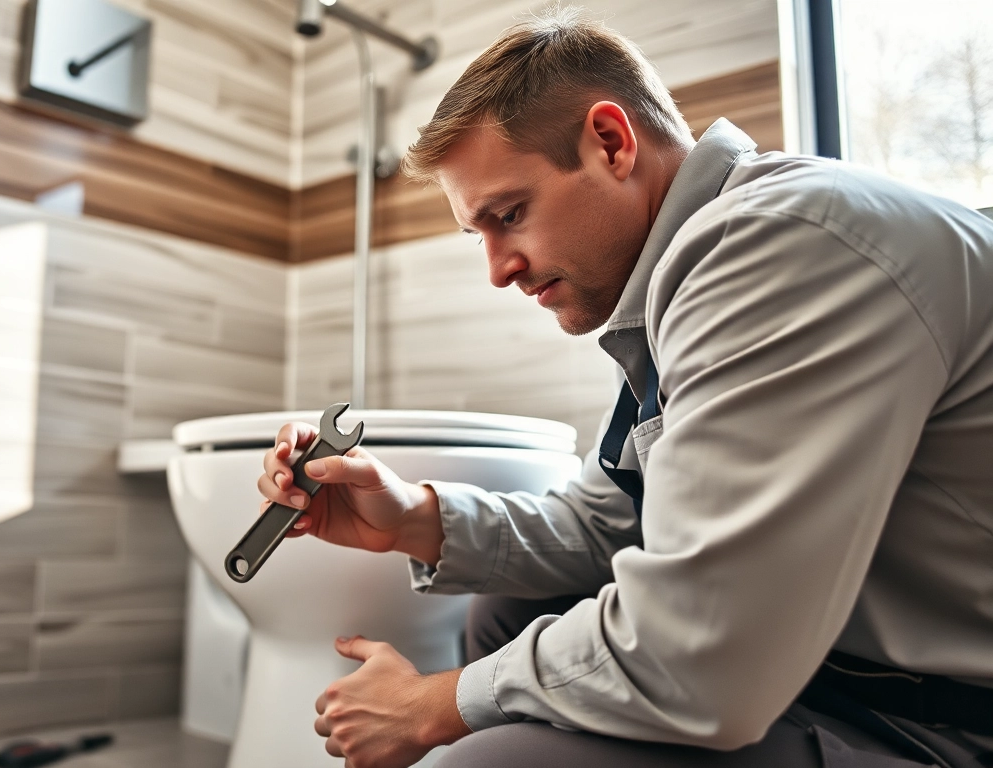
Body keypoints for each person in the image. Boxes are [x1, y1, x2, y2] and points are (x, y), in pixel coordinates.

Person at [256, 7, 993, 768]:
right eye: (481, 233)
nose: (498, 268)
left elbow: (707, 652)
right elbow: (611, 520)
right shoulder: (683, 272)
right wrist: (413, 517)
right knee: (511, 610)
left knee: (487, 762)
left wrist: (438, 705)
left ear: (611, 142)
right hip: (837, 673)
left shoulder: (779, 244)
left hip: (945, 723)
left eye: (510, 214)